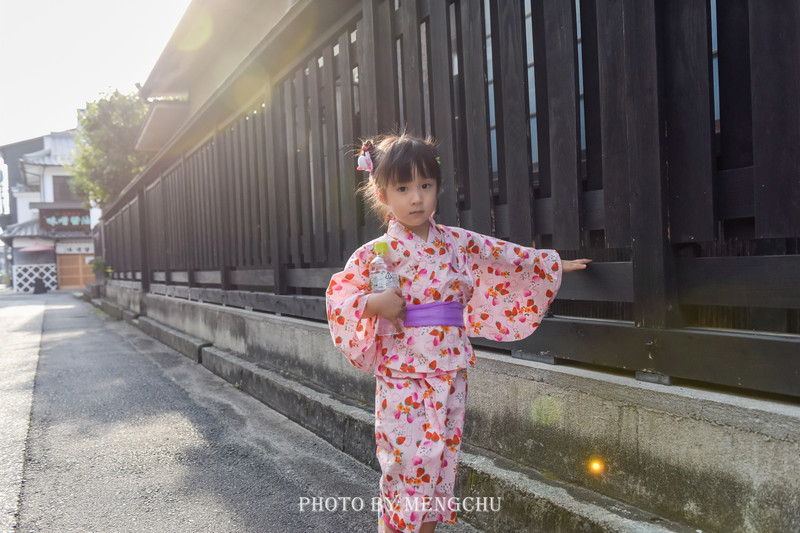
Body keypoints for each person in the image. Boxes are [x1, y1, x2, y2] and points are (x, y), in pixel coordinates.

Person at [326, 134, 590, 533]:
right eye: (403, 188)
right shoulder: (374, 253)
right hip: (404, 373)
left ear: (438, 188)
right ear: (382, 194)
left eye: (425, 186)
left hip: (450, 370)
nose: (417, 198)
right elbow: (339, 297)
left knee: (440, 461)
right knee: (404, 461)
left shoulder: (456, 242)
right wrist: (374, 304)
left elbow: (500, 254)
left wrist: (550, 264)